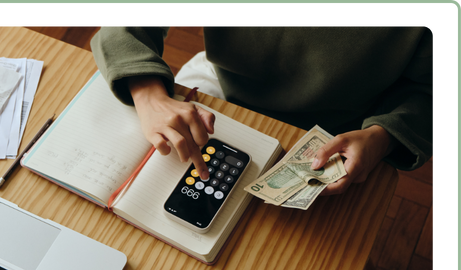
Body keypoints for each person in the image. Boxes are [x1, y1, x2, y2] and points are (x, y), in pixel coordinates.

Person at [90, 24, 433, 195]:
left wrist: (384, 135)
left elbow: (427, 89)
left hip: (342, 130)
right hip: (223, 87)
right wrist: (148, 94)